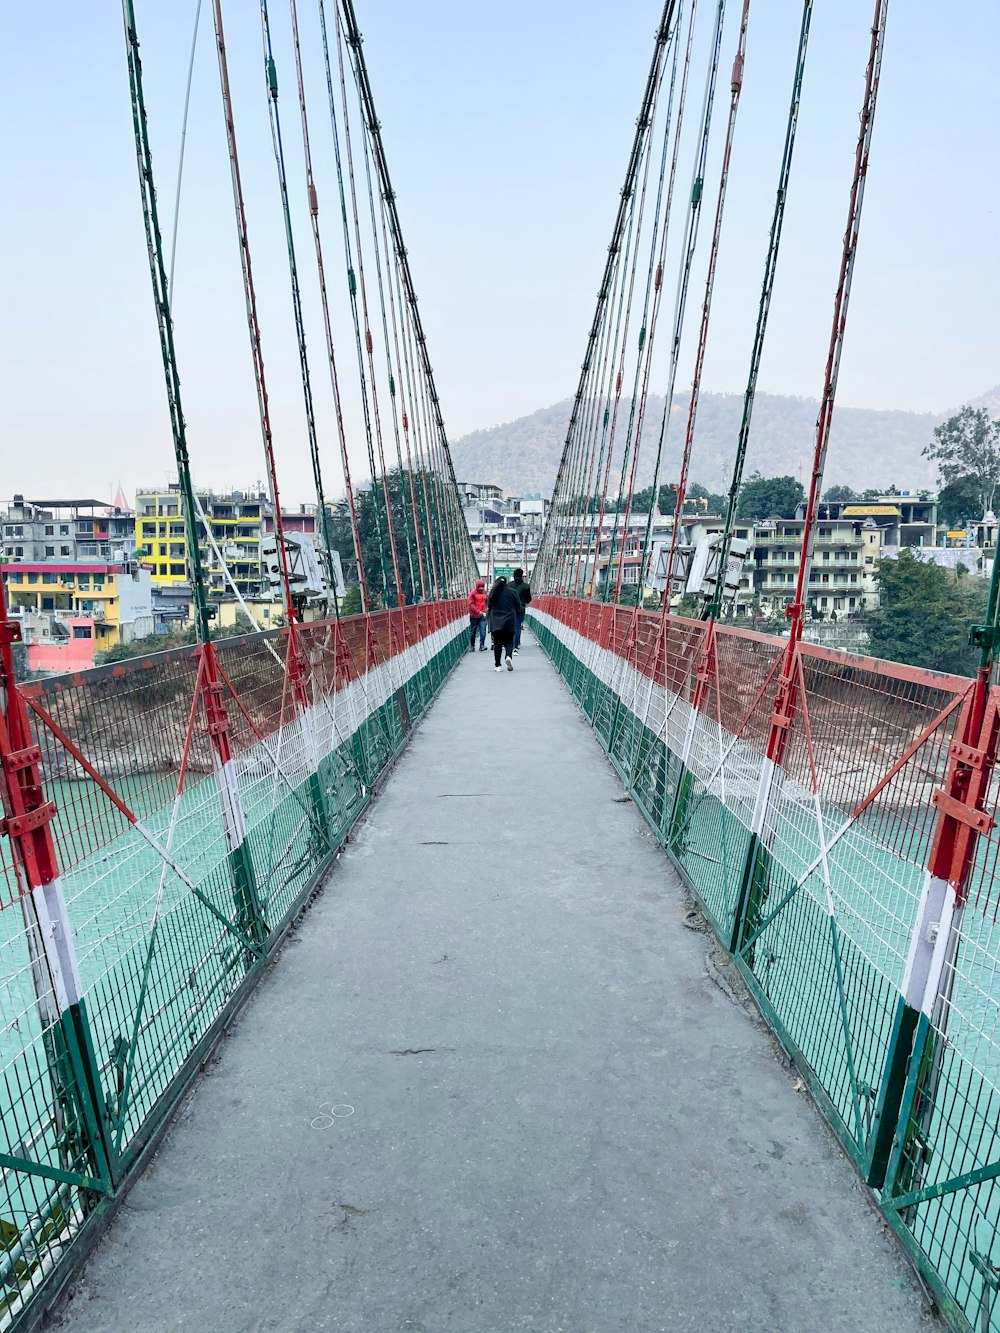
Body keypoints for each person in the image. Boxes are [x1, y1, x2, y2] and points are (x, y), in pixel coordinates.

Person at [487, 576, 518, 672]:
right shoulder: (513, 592)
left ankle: (497, 665)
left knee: (497, 643)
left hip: (496, 621)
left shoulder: (493, 593)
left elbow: (489, 605)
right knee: (509, 641)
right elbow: (518, 605)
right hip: (509, 620)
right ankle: (508, 656)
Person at [510, 567, 532, 654]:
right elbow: (528, 599)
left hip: (510, 609)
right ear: (522, 575)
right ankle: (516, 644)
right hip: (520, 609)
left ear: (514, 575)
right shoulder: (526, 586)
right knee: (518, 626)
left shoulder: (509, 585)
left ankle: (510, 643)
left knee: (510, 626)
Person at [467, 578, 488, 652]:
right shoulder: (473, 593)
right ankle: (472, 646)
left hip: (483, 616)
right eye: (480, 587)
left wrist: (487, 609)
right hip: (474, 616)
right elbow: (470, 604)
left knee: (483, 631)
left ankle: (482, 645)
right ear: (477, 586)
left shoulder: (485, 593)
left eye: (482, 586)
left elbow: (487, 601)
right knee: (473, 632)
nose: (481, 588)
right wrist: (478, 611)